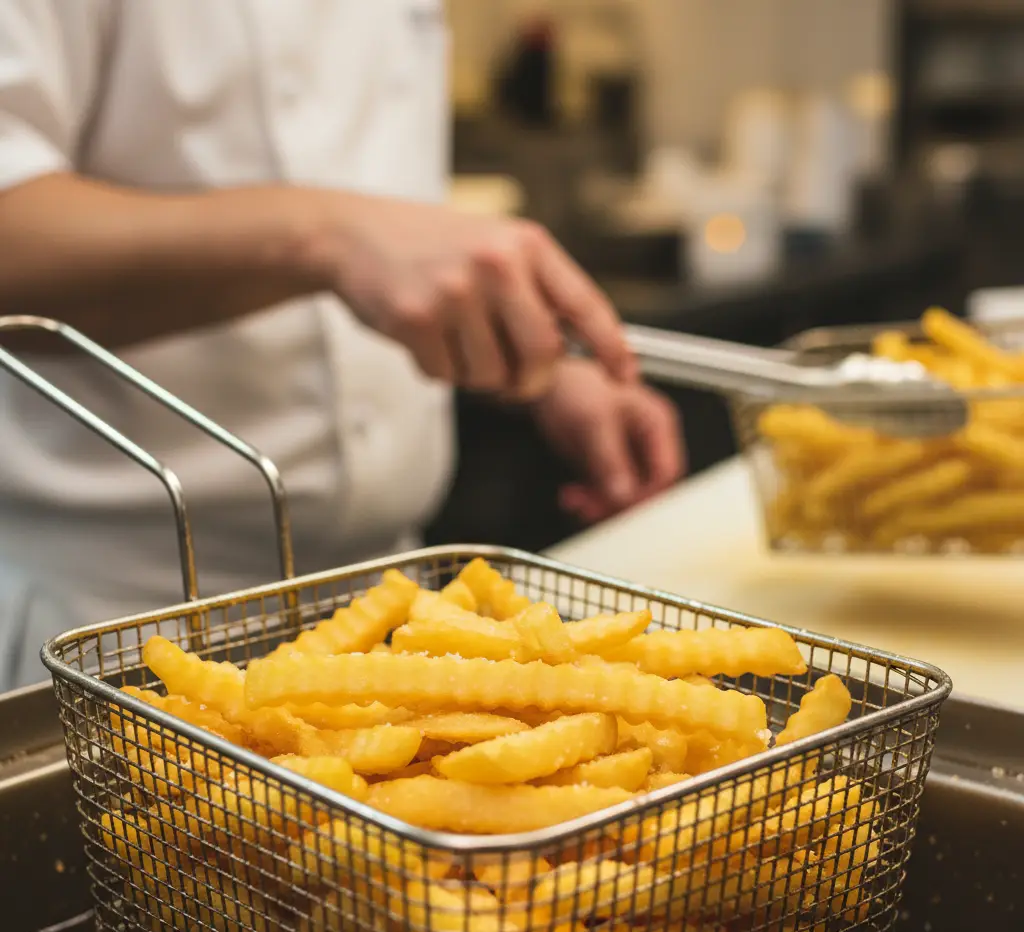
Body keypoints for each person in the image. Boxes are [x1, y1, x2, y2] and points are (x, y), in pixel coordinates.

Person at [0, 1, 682, 691]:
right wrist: (328, 236)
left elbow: (386, 199)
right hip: (110, 631)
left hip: (400, 617)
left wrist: (539, 361)